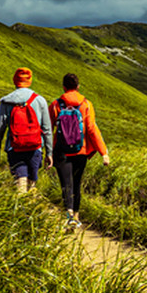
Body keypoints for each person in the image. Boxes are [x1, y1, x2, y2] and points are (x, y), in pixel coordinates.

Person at [49, 73, 110, 229]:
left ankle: (69, 215)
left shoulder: (56, 105)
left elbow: (48, 129)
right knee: (76, 183)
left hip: (61, 151)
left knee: (65, 184)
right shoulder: (86, 104)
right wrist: (104, 152)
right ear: (78, 86)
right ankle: (76, 216)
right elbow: (91, 129)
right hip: (80, 151)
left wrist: (48, 152)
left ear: (63, 87)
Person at [0, 67, 52, 194]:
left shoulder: (6, 101)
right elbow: (47, 128)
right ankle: (31, 209)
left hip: (14, 147)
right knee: (32, 184)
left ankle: (20, 208)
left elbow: (0, 127)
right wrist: (49, 152)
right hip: (35, 148)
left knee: (20, 182)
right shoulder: (40, 100)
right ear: (30, 81)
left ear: (15, 81)